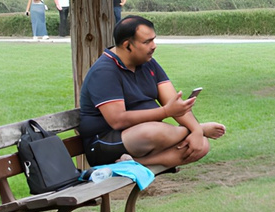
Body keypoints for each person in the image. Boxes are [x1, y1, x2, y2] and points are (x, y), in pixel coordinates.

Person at [76, 15, 226, 171]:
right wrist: (187, 124)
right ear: (128, 45)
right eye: (147, 42)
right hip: (105, 143)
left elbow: (173, 101)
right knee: (153, 132)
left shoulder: (148, 62)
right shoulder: (104, 72)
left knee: (201, 145)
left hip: (144, 141)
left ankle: (136, 162)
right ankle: (199, 129)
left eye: (154, 40)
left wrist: (195, 131)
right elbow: (118, 120)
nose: (154, 46)